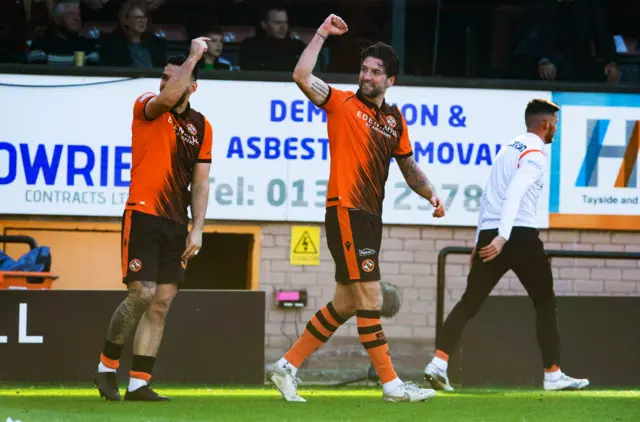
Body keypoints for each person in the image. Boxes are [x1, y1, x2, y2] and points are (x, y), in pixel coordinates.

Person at [266, 14, 446, 403]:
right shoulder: (341, 103)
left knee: (347, 302)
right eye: (363, 69)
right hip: (346, 210)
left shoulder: (395, 120)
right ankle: (392, 384)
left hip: (370, 216)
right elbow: (300, 75)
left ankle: (286, 366)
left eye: (375, 71)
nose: (366, 76)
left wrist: (430, 192)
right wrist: (320, 35)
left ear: (390, 80)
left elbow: (409, 167)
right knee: (371, 299)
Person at [424, 99, 590, 392]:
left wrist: (481, 239)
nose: (556, 130)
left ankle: (438, 363)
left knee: (469, 302)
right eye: (555, 125)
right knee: (545, 304)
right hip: (518, 235)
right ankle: (553, 375)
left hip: (492, 233)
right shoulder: (536, 154)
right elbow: (513, 193)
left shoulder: (508, 148)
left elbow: (489, 194)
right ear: (545, 124)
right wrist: (503, 236)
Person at [93, 37, 213, 402]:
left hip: (177, 222)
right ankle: (106, 367)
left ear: (193, 87)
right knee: (141, 293)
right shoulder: (147, 106)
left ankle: (139, 383)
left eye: (173, 78)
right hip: (144, 213)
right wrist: (192, 56)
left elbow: (201, 180)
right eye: (162, 76)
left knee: (161, 302)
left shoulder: (202, 126)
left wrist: (199, 228)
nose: (164, 83)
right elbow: (166, 97)